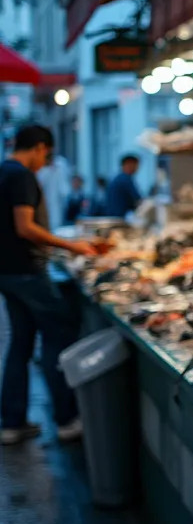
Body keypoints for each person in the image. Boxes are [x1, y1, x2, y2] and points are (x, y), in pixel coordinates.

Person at [0, 125, 97, 445]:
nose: (46, 162)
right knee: (60, 333)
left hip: (8, 272)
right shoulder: (21, 176)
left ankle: (12, 423)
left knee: (21, 343)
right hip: (27, 270)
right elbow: (25, 227)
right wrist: (72, 247)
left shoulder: (3, 170)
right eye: (47, 155)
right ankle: (67, 419)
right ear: (40, 147)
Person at [36, 150, 70, 230]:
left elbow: (64, 190)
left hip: (56, 206)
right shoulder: (42, 171)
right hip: (44, 205)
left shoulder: (59, 167)